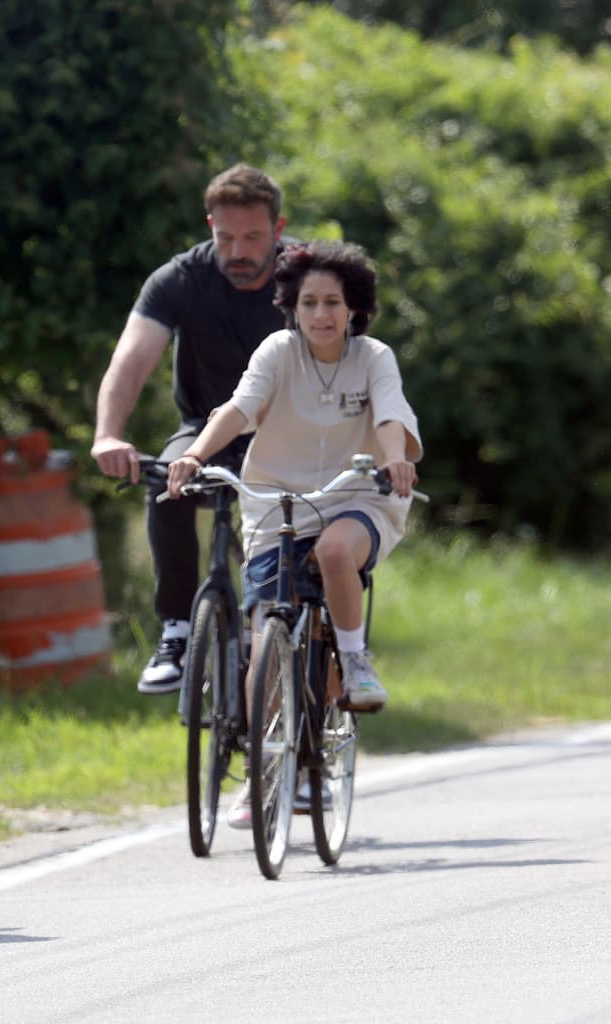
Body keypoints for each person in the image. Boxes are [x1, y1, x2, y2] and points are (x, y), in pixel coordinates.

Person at [165, 240, 421, 827]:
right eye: (309, 302)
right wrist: (197, 455)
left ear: (353, 308)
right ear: (293, 307)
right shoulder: (278, 351)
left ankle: (355, 663)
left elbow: (389, 416)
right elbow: (239, 407)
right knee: (266, 635)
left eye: (333, 302)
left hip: (359, 496)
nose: (322, 314)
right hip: (277, 502)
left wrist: (395, 460)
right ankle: (264, 773)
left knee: (335, 555)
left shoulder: (373, 356)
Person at [92, 163, 289, 694]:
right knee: (166, 486)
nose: (238, 251)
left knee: (298, 529)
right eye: (225, 237)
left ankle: (299, 641)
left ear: (279, 227)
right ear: (210, 226)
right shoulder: (180, 278)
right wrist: (108, 434)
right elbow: (131, 361)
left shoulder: (306, 279)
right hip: (206, 429)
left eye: (253, 236)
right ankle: (177, 631)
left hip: (289, 434)